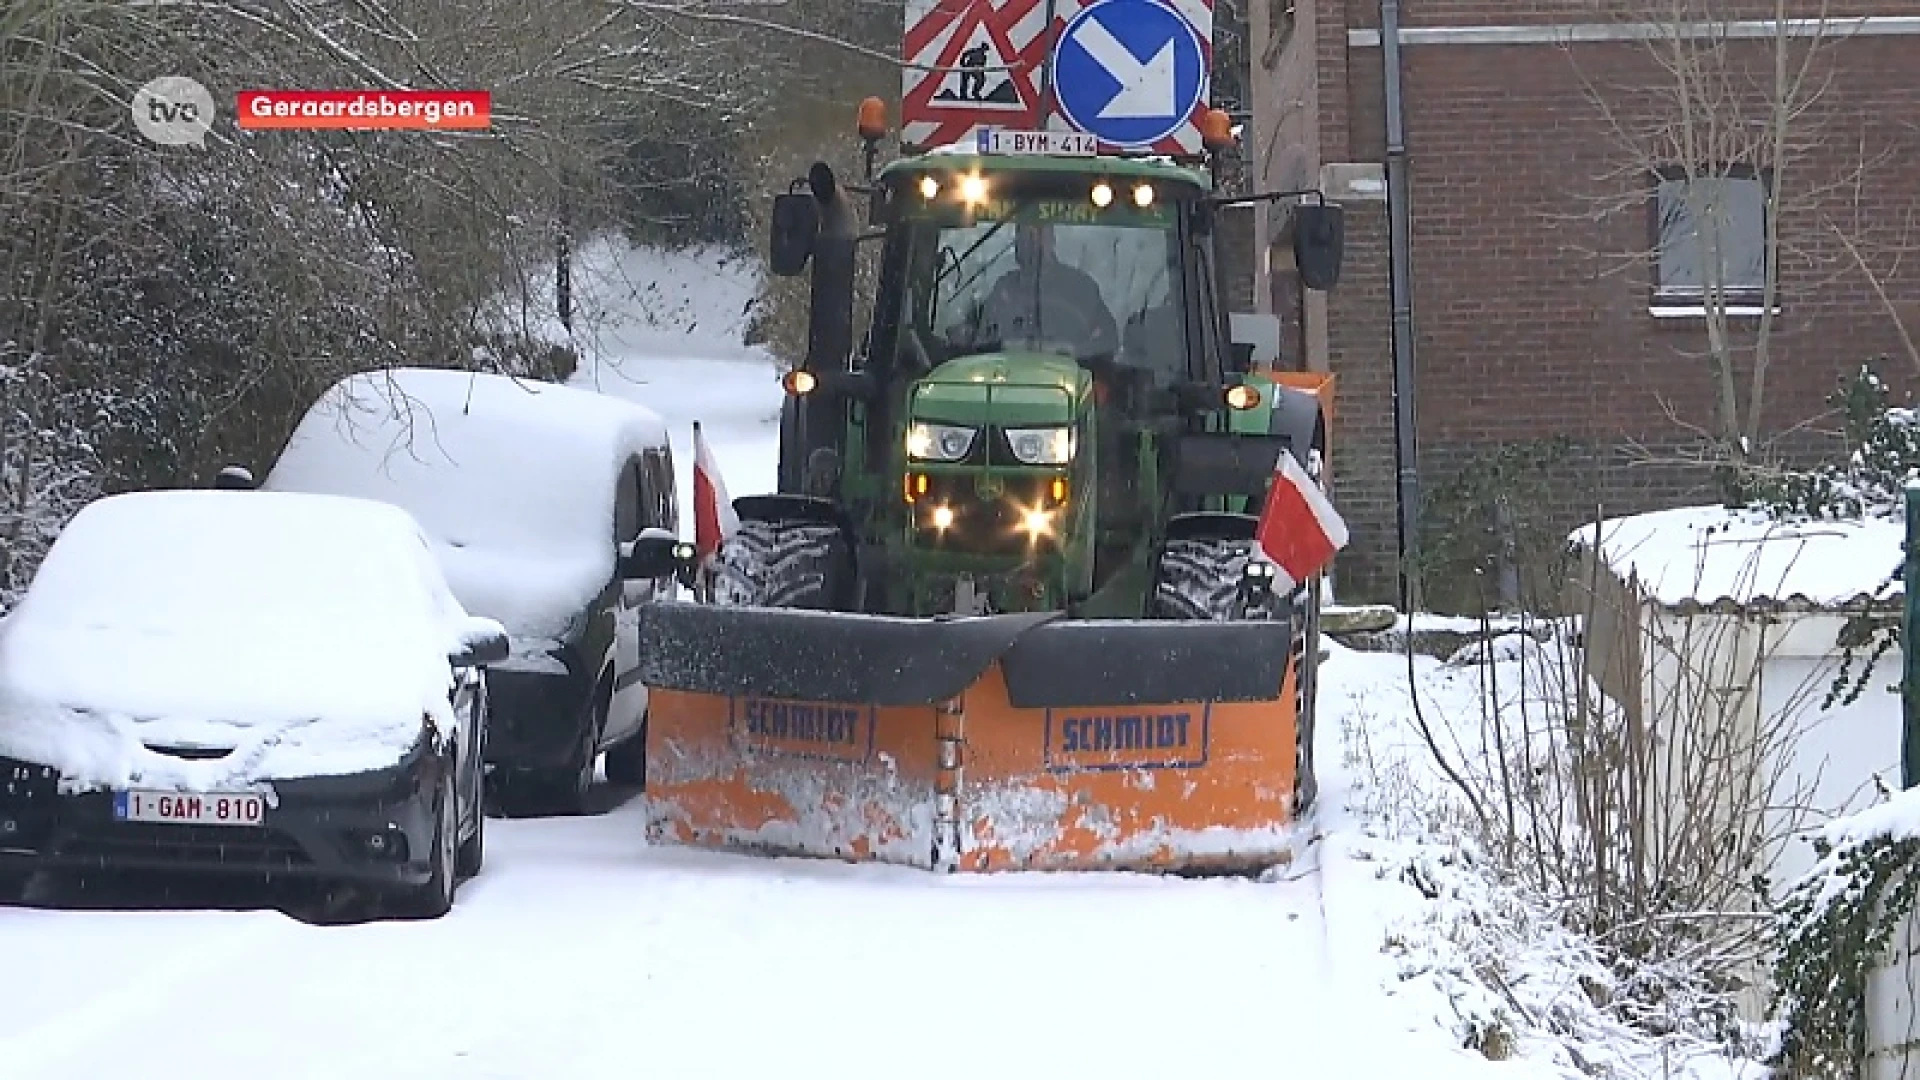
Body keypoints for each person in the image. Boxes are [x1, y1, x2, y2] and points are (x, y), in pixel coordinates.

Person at [963, 222, 1119, 360]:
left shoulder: (1080, 288)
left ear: (1051, 241)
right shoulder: (1004, 288)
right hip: (1004, 381)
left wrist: (1073, 350)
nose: (1029, 243)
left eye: (1036, 236)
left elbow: (1108, 340)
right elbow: (982, 341)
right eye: (1022, 235)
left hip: (1067, 383)